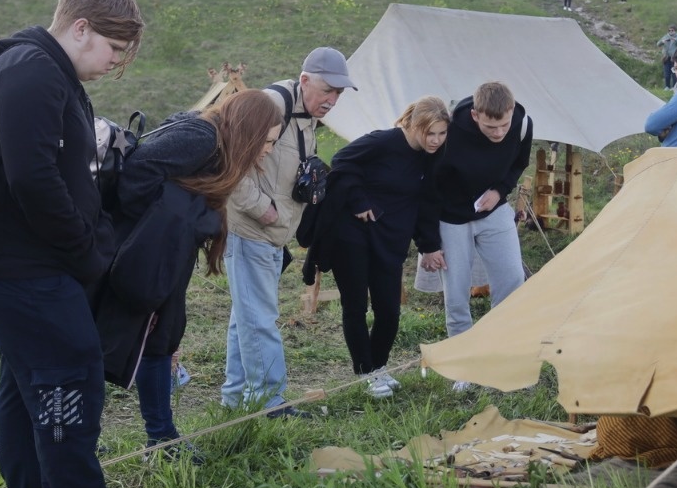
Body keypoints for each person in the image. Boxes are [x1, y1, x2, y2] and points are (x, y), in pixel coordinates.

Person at [0, 0, 151, 488]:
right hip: (16, 262)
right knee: (69, 369)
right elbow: (33, 180)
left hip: (15, 258)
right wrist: (86, 255)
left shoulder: (39, 69)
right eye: (113, 48)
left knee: (26, 377)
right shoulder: (33, 72)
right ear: (80, 27)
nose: (115, 61)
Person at [94, 91, 282, 462]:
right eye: (268, 141)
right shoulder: (204, 137)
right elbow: (138, 171)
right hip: (143, 249)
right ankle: (90, 436)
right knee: (114, 339)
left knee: (162, 336)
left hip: (163, 249)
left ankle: (161, 439)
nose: (268, 150)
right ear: (250, 130)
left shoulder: (215, 142)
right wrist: (164, 221)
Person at [222, 47, 357, 418]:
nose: (332, 100)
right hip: (249, 230)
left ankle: (235, 398)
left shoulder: (306, 115)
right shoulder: (271, 105)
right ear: (304, 80)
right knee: (260, 318)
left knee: (246, 317)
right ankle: (269, 401)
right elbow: (228, 163)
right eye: (327, 90)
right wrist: (263, 209)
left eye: (339, 94)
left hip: (271, 235)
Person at [302, 97, 449, 398]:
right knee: (355, 306)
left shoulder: (432, 157)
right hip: (352, 234)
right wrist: (359, 201)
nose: (435, 140)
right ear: (411, 124)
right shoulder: (383, 142)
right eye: (429, 133)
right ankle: (365, 372)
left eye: (441, 133)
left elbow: (426, 203)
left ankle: (378, 366)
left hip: (391, 238)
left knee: (389, 311)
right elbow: (342, 161)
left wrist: (429, 245)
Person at [434, 82, 533, 391]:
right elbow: (430, 178)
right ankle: (464, 365)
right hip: (451, 216)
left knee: (512, 279)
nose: (499, 132)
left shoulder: (522, 123)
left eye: (504, 124)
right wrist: (427, 238)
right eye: (491, 126)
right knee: (457, 289)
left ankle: (500, 355)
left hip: (494, 209)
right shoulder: (451, 130)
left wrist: (499, 190)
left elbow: (519, 163)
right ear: (475, 116)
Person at [656, 25, 677, 90]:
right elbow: (658, 44)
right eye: (669, 30)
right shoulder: (666, 36)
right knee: (667, 73)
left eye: (672, 30)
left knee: (674, 73)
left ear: (675, 31)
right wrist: (662, 41)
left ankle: (674, 87)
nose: (671, 32)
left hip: (674, 58)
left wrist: (675, 39)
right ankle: (667, 86)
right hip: (666, 57)